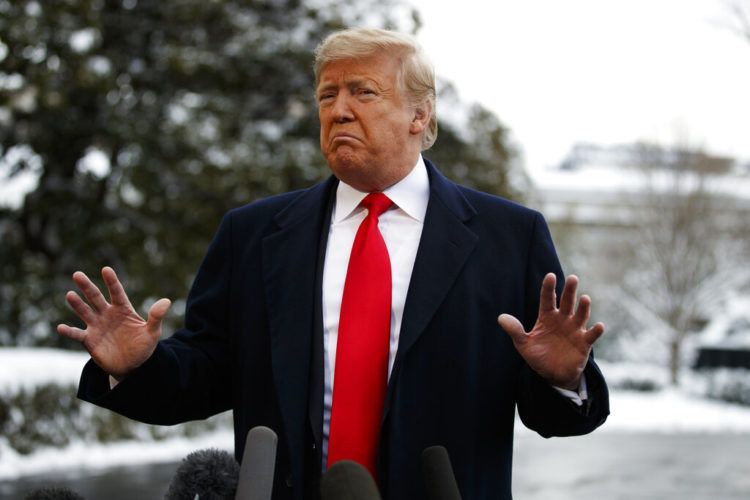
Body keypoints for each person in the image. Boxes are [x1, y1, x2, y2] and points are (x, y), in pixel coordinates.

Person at [58, 27, 609, 500]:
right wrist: (133, 368)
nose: (338, 109)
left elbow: (551, 416)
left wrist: (562, 378)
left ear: (421, 114)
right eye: (327, 95)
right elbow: (207, 374)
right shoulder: (253, 234)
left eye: (362, 92)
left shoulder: (508, 237)